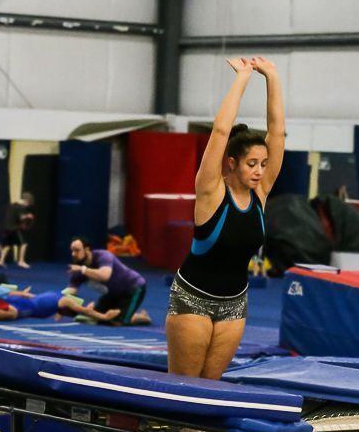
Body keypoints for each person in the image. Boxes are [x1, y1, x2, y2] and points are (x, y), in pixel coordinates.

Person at [167, 56, 285, 380]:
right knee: (185, 388)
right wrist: (243, 78)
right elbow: (220, 131)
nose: (260, 171)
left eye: (263, 164)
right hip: (193, 297)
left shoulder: (260, 194)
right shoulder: (210, 191)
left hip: (235, 303)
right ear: (231, 162)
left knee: (210, 387)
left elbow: (278, 133)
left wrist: (272, 77)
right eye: (252, 164)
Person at [66, 237, 150, 325]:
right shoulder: (77, 270)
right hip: (112, 293)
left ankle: (142, 317)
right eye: (72, 251)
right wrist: (63, 303)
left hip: (133, 288)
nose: (73, 254)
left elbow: (105, 275)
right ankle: (127, 314)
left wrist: (83, 270)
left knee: (116, 322)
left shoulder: (103, 256)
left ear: (87, 249)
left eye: (77, 250)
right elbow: (70, 292)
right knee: (97, 317)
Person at [0, 191, 34, 268]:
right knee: (24, 244)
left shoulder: (12, 205)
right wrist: (28, 216)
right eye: (28, 203)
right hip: (15, 228)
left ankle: (1, 260)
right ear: (26, 201)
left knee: (8, 244)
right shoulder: (21, 207)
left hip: (7, 227)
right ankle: (21, 261)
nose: (27, 205)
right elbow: (21, 217)